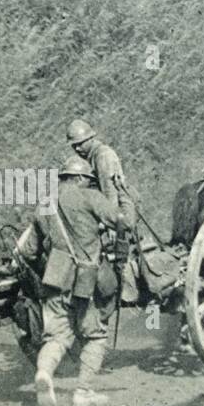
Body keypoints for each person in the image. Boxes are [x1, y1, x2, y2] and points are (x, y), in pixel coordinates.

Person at [20, 155, 119, 406]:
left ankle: (44, 373)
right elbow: (122, 221)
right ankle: (83, 393)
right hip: (84, 281)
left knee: (57, 337)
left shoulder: (44, 204)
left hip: (54, 279)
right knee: (95, 335)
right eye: (88, 180)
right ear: (80, 178)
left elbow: (29, 250)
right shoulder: (90, 197)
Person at [67, 119, 137, 303]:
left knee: (118, 250)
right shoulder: (91, 156)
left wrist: (112, 226)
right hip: (108, 208)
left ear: (90, 138)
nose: (77, 149)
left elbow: (109, 192)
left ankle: (127, 289)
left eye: (80, 144)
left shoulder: (103, 156)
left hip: (119, 208)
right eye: (74, 146)